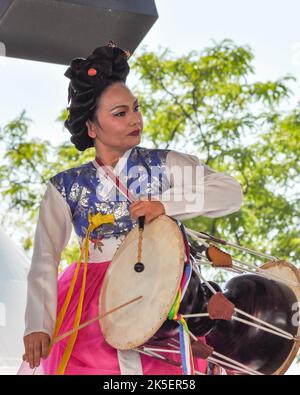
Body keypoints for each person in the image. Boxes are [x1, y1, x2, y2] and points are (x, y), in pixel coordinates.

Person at [21, 41, 243, 375]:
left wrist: (165, 205)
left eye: (136, 109)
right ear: (92, 128)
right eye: (120, 113)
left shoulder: (166, 164)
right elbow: (44, 259)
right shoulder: (64, 186)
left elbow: (229, 192)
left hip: (160, 290)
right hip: (90, 301)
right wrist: (37, 323)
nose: (135, 119)